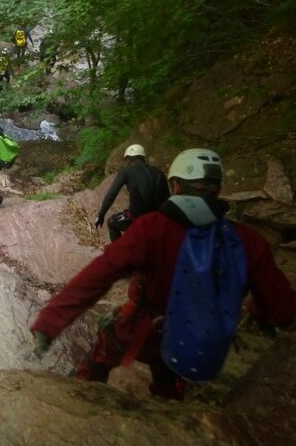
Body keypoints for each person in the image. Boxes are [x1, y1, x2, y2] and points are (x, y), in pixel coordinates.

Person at [30, 148, 296, 400]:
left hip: (142, 329)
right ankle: (166, 403)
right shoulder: (248, 241)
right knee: (168, 382)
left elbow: (100, 274)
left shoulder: (153, 229)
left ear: (176, 186)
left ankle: (82, 394)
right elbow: (281, 307)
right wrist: (259, 311)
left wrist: (51, 321)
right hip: (196, 341)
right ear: (218, 188)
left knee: (100, 355)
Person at [95, 144, 169, 241]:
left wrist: (101, 214)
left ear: (128, 159)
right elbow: (168, 198)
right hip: (158, 220)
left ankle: (120, 254)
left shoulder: (126, 171)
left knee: (112, 222)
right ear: (143, 158)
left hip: (137, 218)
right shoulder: (159, 172)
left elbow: (112, 194)